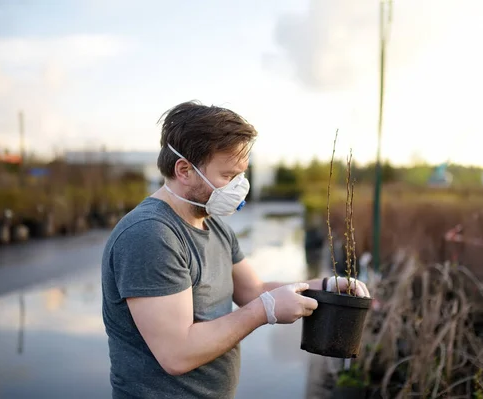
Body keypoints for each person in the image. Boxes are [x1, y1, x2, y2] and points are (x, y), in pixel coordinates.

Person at [101, 101, 370, 399]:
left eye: (241, 175)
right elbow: (176, 354)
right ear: (184, 170)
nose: (239, 187)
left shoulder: (213, 225)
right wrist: (263, 311)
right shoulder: (150, 234)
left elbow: (252, 290)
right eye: (228, 176)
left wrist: (323, 287)